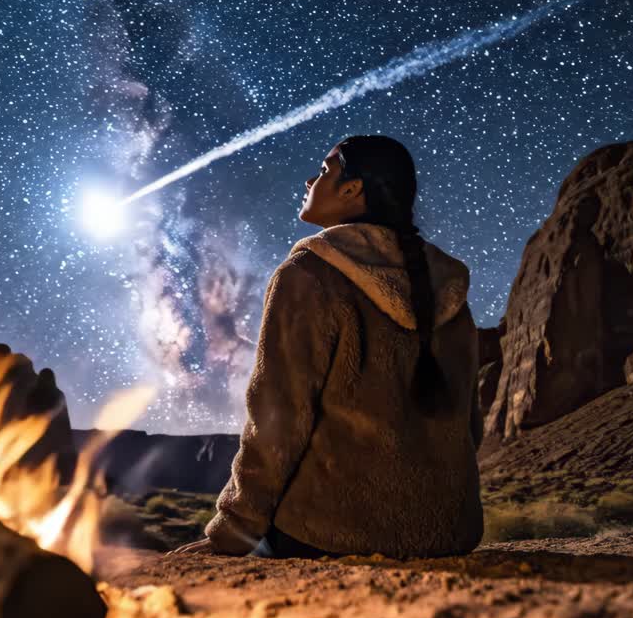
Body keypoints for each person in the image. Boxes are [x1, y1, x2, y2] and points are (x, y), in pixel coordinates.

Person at [173, 135, 483, 559]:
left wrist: (234, 531)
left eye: (323, 171)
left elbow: (278, 421)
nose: (308, 180)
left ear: (352, 190)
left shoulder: (308, 275)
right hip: (449, 535)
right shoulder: (447, 291)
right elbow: (470, 425)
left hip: (332, 534)